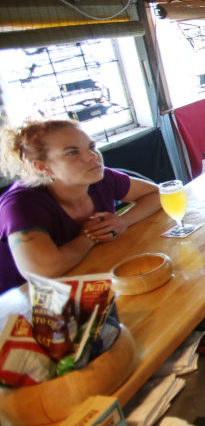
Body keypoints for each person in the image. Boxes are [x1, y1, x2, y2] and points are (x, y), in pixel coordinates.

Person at [0, 118, 162, 294]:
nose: (92, 156)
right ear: (42, 167)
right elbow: (43, 270)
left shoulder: (99, 178)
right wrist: (89, 237)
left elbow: (157, 194)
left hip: (94, 278)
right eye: (72, 153)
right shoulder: (21, 204)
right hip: (27, 301)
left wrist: (122, 221)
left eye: (91, 147)